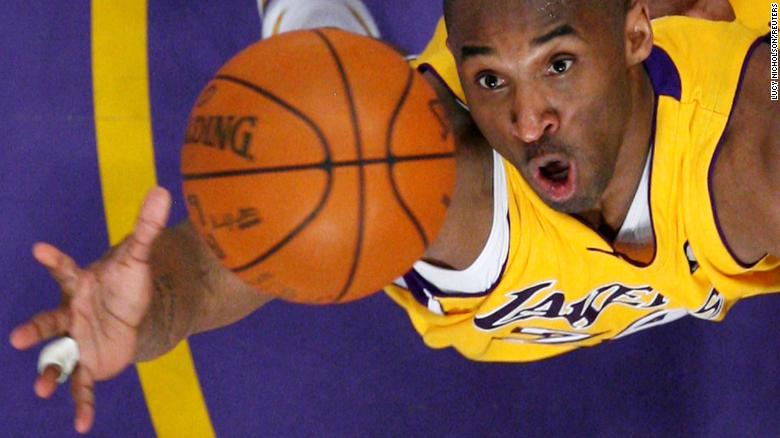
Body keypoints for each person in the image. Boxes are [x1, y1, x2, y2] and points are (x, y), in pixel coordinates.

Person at [8, 0, 778, 433]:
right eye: (489, 79)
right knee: (333, 108)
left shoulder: (750, 171)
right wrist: (156, 307)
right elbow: (244, 247)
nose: (530, 119)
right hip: (390, 140)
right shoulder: (416, 165)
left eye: (560, 65)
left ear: (634, 36)